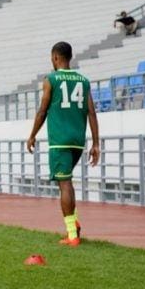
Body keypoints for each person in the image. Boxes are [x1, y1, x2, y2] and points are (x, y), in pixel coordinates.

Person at [27, 42, 100, 247]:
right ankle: (74, 224)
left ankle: (72, 235)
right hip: (78, 141)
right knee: (66, 182)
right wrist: (96, 143)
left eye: (52, 58)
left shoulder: (51, 79)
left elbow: (42, 111)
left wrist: (32, 134)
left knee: (64, 184)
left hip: (59, 141)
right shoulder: (83, 81)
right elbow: (91, 112)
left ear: (56, 57)